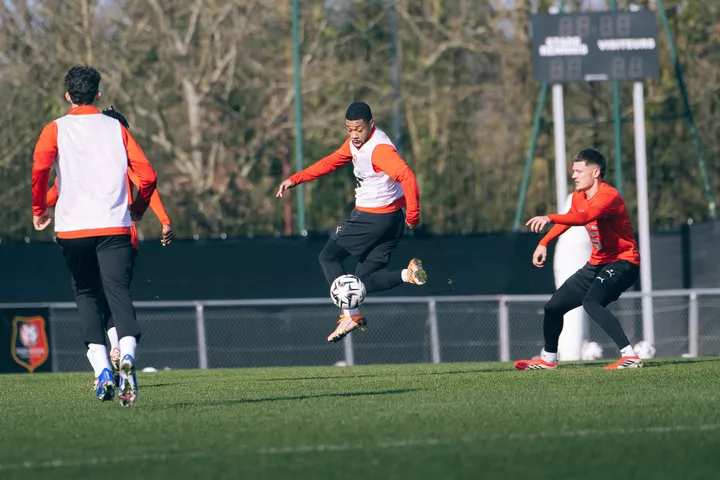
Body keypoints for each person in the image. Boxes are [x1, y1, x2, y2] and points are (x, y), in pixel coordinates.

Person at [32, 65, 157, 405]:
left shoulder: (54, 129)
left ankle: (102, 370)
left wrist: (39, 209)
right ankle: (127, 355)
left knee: (86, 293)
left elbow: (40, 169)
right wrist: (139, 208)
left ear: (67, 95)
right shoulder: (117, 128)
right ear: (98, 94)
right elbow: (147, 176)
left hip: (73, 229)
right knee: (118, 294)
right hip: (115, 226)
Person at [276, 102, 427, 343]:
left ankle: (351, 315)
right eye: (349, 130)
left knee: (329, 257)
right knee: (365, 280)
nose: (354, 135)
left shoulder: (379, 149)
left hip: (371, 218)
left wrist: (414, 215)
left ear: (371, 124)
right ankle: (406, 275)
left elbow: (406, 176)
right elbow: (330, 162)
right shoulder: (356, 144)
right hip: (391, 220)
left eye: (359, 129)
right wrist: (296, 179)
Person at [46, 106, 173, 390]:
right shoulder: (121, 158)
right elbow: (147, 183)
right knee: (116, 297)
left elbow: (57, 190)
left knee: (92, 297)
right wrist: (164, 220)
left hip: (86, 234)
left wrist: (40, 205)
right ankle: (119, 349)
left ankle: (104, 364)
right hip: (122, 236)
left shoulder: (87, 161)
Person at [515, 148, 643, 370]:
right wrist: (544, 242)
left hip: (623, 262)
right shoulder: (579, 196)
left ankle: (629, 355)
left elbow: (585, 217)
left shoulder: (609, 196)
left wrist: (549, 217)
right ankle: (549, 359)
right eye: (573, 171)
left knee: (591, 302)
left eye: (579, 171)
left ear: (595, 172)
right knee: (553, 307)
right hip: (597, 263)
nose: (574, 175)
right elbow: (569, 220)